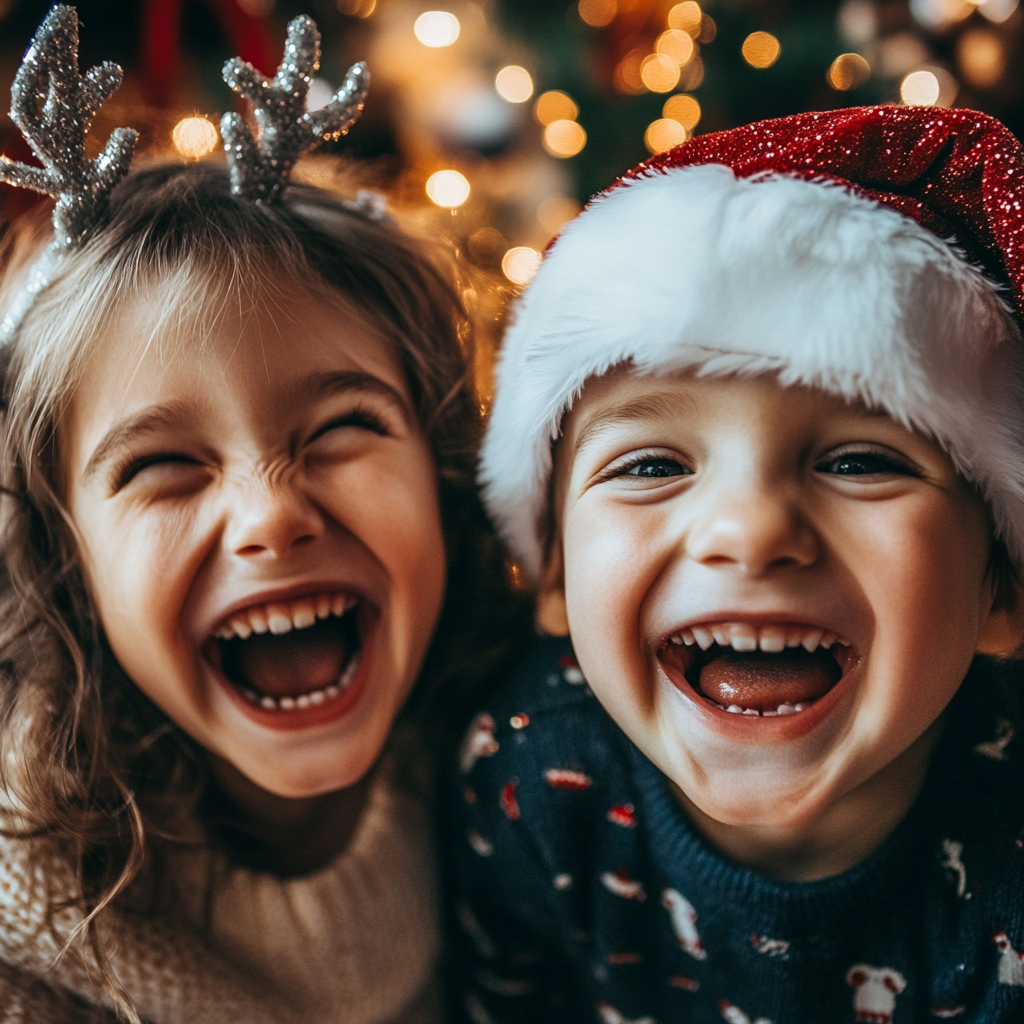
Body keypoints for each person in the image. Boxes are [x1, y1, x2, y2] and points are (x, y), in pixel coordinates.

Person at [0, 9, 523, 1023]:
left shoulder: (517, 774)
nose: (270, 516)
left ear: (445, 469)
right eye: (161, 464)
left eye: (338, 429)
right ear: (66, 561)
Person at [451, 105, 1024, 1024]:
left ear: (1003, 592)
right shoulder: (526, 778)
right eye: (649, 465)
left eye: (860, 460)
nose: (750, 531)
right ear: (553, 576)